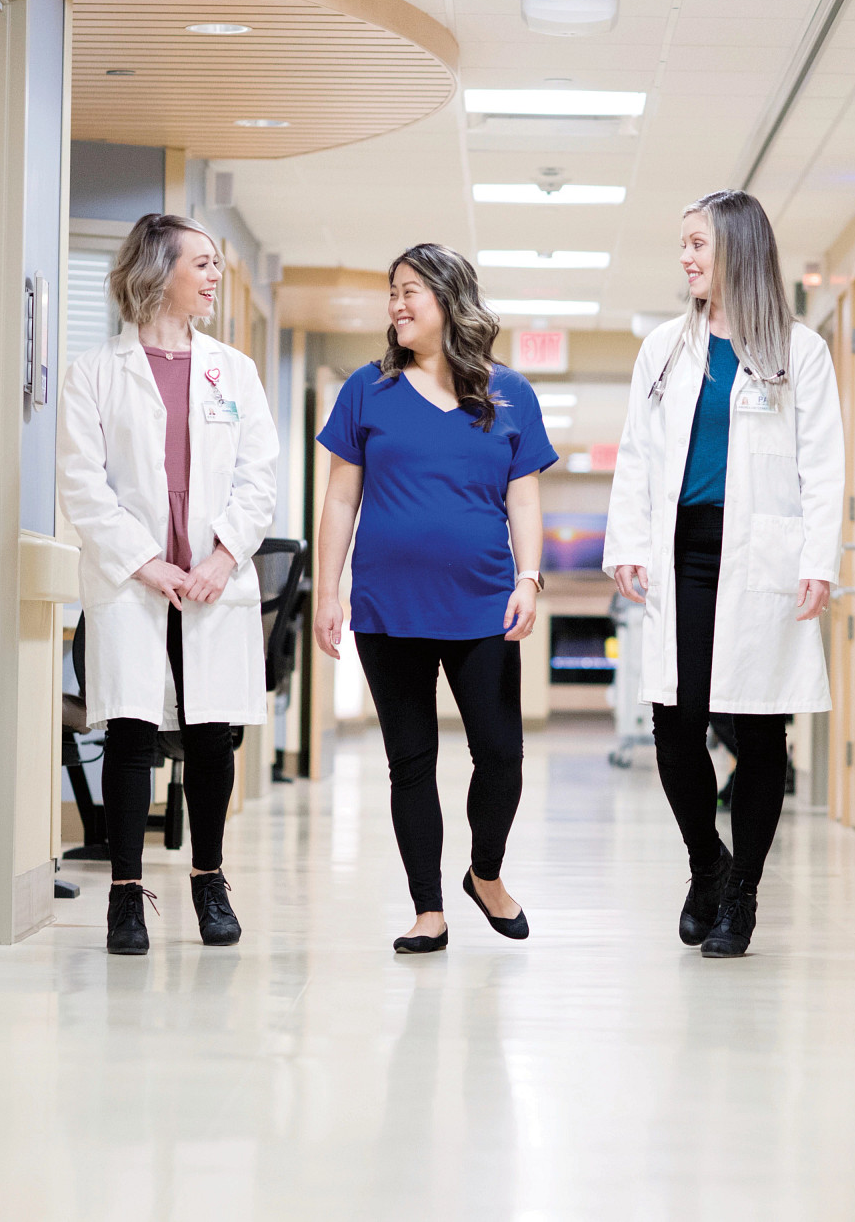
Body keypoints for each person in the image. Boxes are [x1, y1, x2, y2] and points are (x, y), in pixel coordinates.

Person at [602, 189, 843, 957]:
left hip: (761, 555)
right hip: (681, 554)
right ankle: (708, 862)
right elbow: (637, 453)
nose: (686, 257)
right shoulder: (665, 348)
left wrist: (819, 559)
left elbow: (822, 464)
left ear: (737, 248)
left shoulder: (799, 351)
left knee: (760, 724)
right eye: (684, 244)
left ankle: (743, 894)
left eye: (697, 243)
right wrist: (627, 542)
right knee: (674, 723)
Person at [312, 243, 558, 954]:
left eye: (410, 290)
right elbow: (340, 497)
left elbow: (523, 495)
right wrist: (327, 591)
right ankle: (428, 909)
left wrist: (529, 577)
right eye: (392, 291)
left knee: (501, 754)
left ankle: (485, 873)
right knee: (411, 760)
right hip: (388, 606)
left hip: (483, 603)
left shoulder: (509, 392)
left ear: (450, 299)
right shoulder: (367, 389)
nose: (396, 303)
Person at [57, 213, 279, 956]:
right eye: (202, 263)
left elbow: (258, 477)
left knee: (213, 732)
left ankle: (208, 880)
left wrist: (223, 556)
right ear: (159, 270)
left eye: (216, 264)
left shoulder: (233, 371)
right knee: (130, 729)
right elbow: (82, 483)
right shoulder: (95, 372)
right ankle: (125, 895)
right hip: (136, 579)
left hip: (213, 578)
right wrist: (144, 561)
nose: (214, 277)